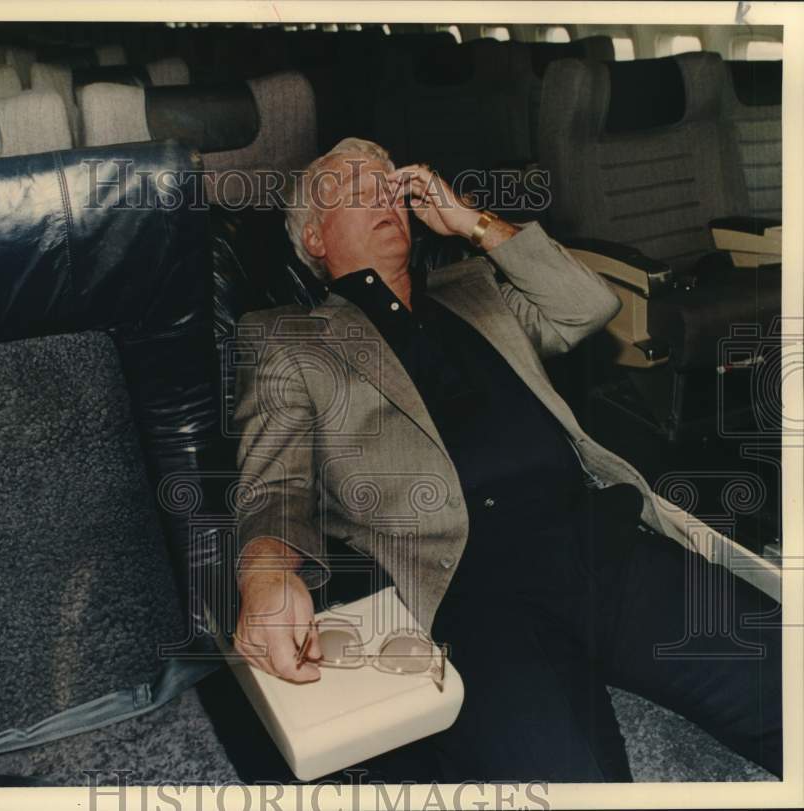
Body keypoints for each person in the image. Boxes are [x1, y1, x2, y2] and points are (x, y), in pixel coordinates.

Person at [230, 137, 782, 782]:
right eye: (354, 189)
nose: (382, 195)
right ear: (316, 239)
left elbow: (590, 305)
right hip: (473, 589)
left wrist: (471, 222)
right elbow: (274, 484)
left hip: (600, 538)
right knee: (563, 776)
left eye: (388, 185)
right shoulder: (287, 338)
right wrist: (265, 574)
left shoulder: (476, 288)